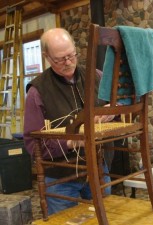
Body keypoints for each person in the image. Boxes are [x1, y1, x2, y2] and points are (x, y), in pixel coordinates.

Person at [23, 28, 114, 215]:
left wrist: (112, 111)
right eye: (60, 59)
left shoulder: (96, 76)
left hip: (97, 169)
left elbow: (119, 102)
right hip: (60, 179)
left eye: (71, 55)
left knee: (107, 218)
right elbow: (33, 143)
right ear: (47, 57)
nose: (68, 62)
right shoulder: (37, 92)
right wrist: (71, 142)